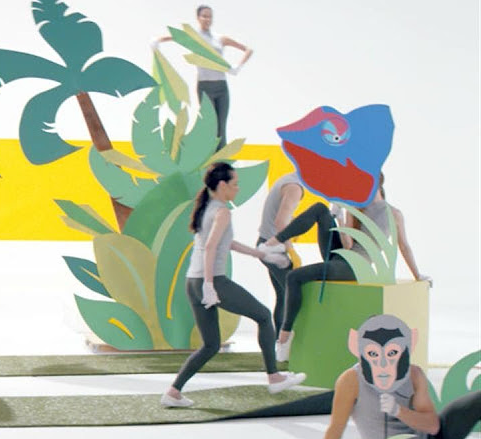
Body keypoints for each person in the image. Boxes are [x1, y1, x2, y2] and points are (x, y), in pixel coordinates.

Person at [161, 162, 304, 407]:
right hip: (212, 281)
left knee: (210, 345)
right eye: (235, 184)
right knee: (263, 315)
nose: (238, 188)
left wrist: (261, 254)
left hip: (192, 282)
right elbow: (210, 247)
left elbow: (226, 243)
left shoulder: (209, 207)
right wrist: (209, 285)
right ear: (222, 185)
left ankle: (173, 393)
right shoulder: (222, 212)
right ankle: (274, 377)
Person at [288, 314, 480, 439]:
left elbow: (433, 425)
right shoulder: (351, 381)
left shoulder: (413, 374)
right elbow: (336, 429)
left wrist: (399, 411)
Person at [257, 175, 430, 362]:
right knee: (320, 209)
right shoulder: (356, 207)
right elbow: (348, 245)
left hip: (354, 266)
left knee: (293, 277)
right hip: (340, 255)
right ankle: (275, 242)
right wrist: (339, 217)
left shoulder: (393, 214)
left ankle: (284, 338)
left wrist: (417, 275)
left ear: (376, 184)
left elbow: (403, 246)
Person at [153, 5, 253, 149]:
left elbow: (248, 50)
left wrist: (237, 66)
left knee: (221, 127)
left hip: (221, 86)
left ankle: (221, 160)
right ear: (198, 18)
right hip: (204, 86)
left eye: (210, 16)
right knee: (209, 125)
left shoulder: (220, 39)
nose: (207, 19)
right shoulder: (194, 37)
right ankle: (208, 158)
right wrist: (157, 41)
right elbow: (174, 37)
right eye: (204, 16)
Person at [256, 171, 305, 334]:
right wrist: (291, 249)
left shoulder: (287, 180)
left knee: (284, 296)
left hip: (265, 243)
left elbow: (280, 216)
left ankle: (279, 340)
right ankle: (286, 340)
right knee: (293, 294)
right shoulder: (294, 187)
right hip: (272, 248)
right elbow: (280, 223)